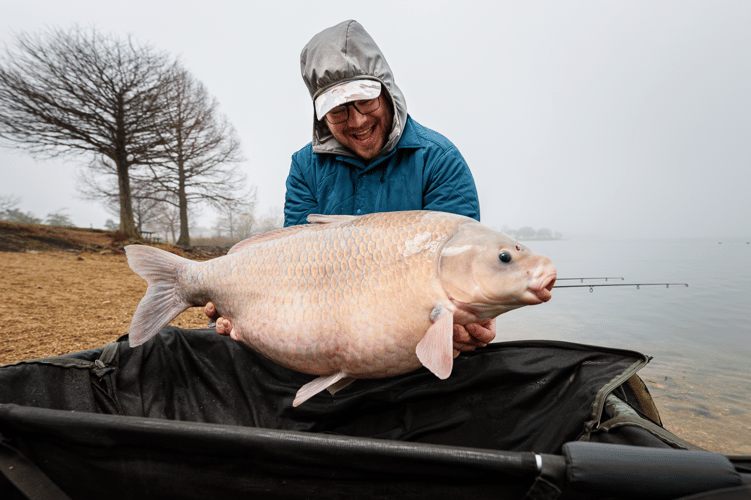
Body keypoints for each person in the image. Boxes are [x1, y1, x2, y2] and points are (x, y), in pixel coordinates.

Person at [206, 20, 495, 356]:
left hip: (412, 348)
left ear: (387, 92)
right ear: (320, 115)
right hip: (328, 336)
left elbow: (460, 274)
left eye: (366, 102)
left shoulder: (440, 160)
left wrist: (469, 318)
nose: (357, 121)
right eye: (338, 110)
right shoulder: (305, 167)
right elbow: (293, 271)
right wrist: (249, 312)